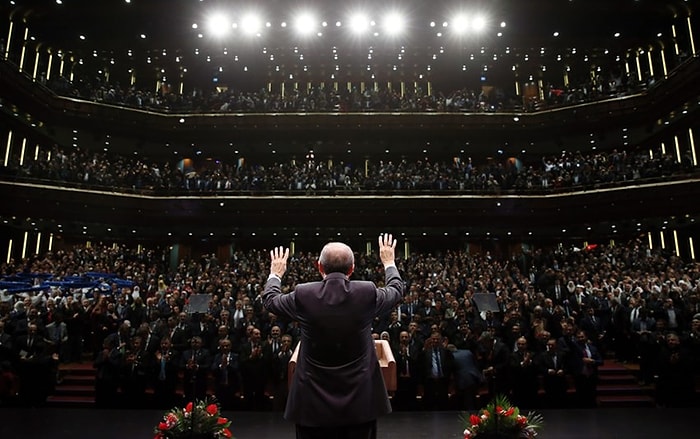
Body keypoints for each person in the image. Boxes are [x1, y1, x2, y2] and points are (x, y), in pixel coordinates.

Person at [263, 234, 403, 439]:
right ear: (352, 268)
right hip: (360, 402)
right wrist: (389, 262)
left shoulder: (304, 294)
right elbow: (396, 290)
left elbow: (270, 300)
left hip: (312, 403)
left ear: (319, 267)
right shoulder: (366, 292)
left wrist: (275, 273)